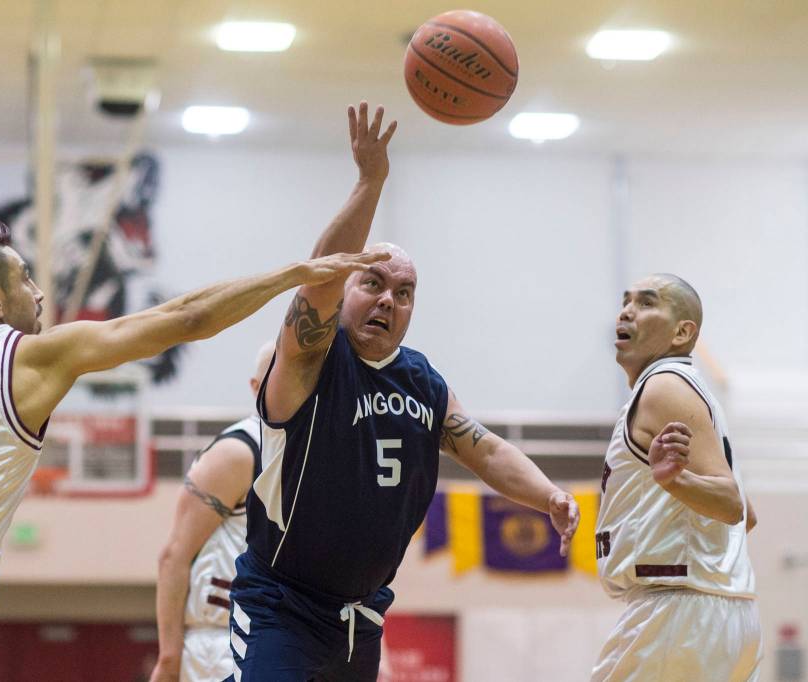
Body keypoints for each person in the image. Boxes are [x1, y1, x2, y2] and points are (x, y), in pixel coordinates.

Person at [0, 215, 387, 681]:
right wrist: (294, 275)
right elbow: (187, 317)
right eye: (25, 278)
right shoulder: (27, 356)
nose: (40, 293)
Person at [226, 102, 580, 681]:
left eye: (405, 292)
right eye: (374, 282)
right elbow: (317, 278)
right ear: (348, 288)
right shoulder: (312, 356)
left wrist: (547, 496)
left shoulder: (425, 382)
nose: (389, 299)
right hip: (281, 608)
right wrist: (371, 182)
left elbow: (485, 449)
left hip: (361, 619)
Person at [592, 273, 761, 681]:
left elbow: (730, 503)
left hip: (680, 613)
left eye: (647, 303)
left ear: (682, 332)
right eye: (626, 301)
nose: (627, 311)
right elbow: (747, 517)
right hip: (718, 612)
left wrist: (676, 483)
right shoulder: (688, 392)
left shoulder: (664, 386)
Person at [151, 342, 273, 682]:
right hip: (221, 643)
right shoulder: (238, 451)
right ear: (256, 387)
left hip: (280, 639)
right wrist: (169, 657)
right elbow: (174, 556)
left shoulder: (309, 453)